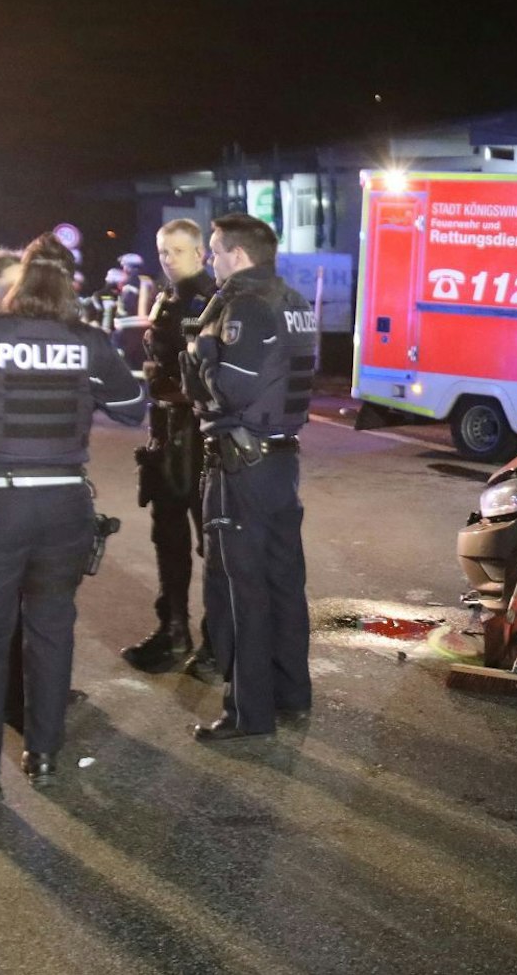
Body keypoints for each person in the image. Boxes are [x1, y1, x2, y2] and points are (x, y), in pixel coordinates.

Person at [0, 232, 148, 807]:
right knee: (51, 630)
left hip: (0, 509)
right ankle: (44, 754)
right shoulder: (88, 341)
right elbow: (135, 409)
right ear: (72, 286)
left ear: (18, 282)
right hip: (67, 508)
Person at [183, 213, 317, 740]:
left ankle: (248, 714)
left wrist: (200, 355)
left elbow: (230, 390)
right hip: (281, 460)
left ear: (238, 255)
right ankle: (291, 697)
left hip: (243, 464)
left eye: (215, 251)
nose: (211, 261)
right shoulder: (295, 302)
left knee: (241, 590)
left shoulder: (245, 307)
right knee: (285, 582)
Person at [119, 220, 217, 675]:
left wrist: (170, 386)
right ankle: (174, 632)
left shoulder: (210, 300)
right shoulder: (167, 298)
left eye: (178, 250)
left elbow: (212, 378)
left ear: (200, 252)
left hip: (199, 439)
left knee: (211, 544)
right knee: (168, 540)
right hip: (166, 437)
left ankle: (217, 643)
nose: (169, 258)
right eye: (163, 251)